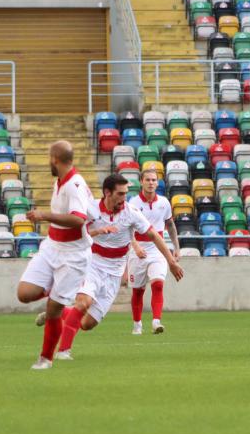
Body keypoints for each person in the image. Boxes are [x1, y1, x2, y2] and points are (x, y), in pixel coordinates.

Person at [37, 174, 184, 361]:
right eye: (120, 194)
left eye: (126, 193)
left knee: (87, 323)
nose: (124, 198)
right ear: (107, 193)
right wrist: (97, 231)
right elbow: (72, 232)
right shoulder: (89, 209)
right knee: (83, 303)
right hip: (92, 264)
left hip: (114, 272)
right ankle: (63, 351)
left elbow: (155, 236)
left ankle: (56, 312)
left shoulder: (131, 213)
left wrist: (171, 262)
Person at [16, 141, 93, 370]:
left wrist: (44, 215)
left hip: (73, 255)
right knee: (24, 293)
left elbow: (78, 218)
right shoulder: (60, 180)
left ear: (54, 159)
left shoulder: (74, 184)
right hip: (52, 247)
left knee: (52, 311)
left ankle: (45, 359)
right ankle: (55, 290)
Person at [127, 169, 180, 335]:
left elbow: (170, 225)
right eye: (147, 179)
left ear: (157, 183)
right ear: (141, 182)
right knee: (138, 290)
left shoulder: (164, 203)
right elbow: (127, 228)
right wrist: (135, 246)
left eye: (154, 180)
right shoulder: (133, 203)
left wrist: (177, 247)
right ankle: (137, 325)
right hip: (138, 249)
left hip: (158, 249)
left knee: (158, 284)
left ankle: (156, 321)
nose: (151, 183)